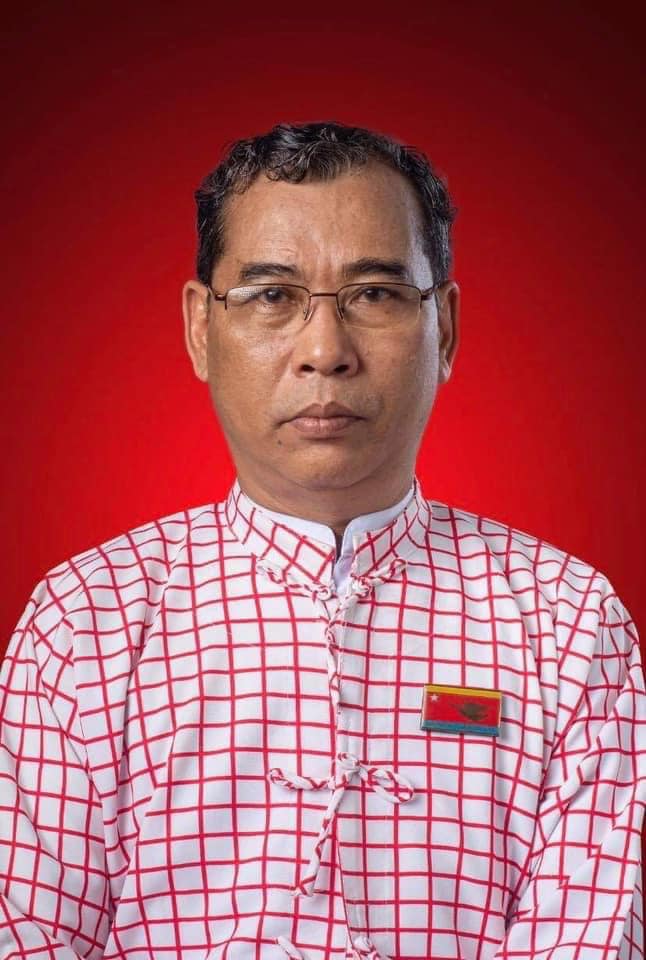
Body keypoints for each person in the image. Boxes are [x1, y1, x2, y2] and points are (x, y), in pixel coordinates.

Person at [0, 121, 643, 960]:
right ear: (201, 329)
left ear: (444, 328)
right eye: (272, 296)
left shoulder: (568, 625)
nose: (324, 352)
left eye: (374, 294)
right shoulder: (85, 624)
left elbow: (590, 939)